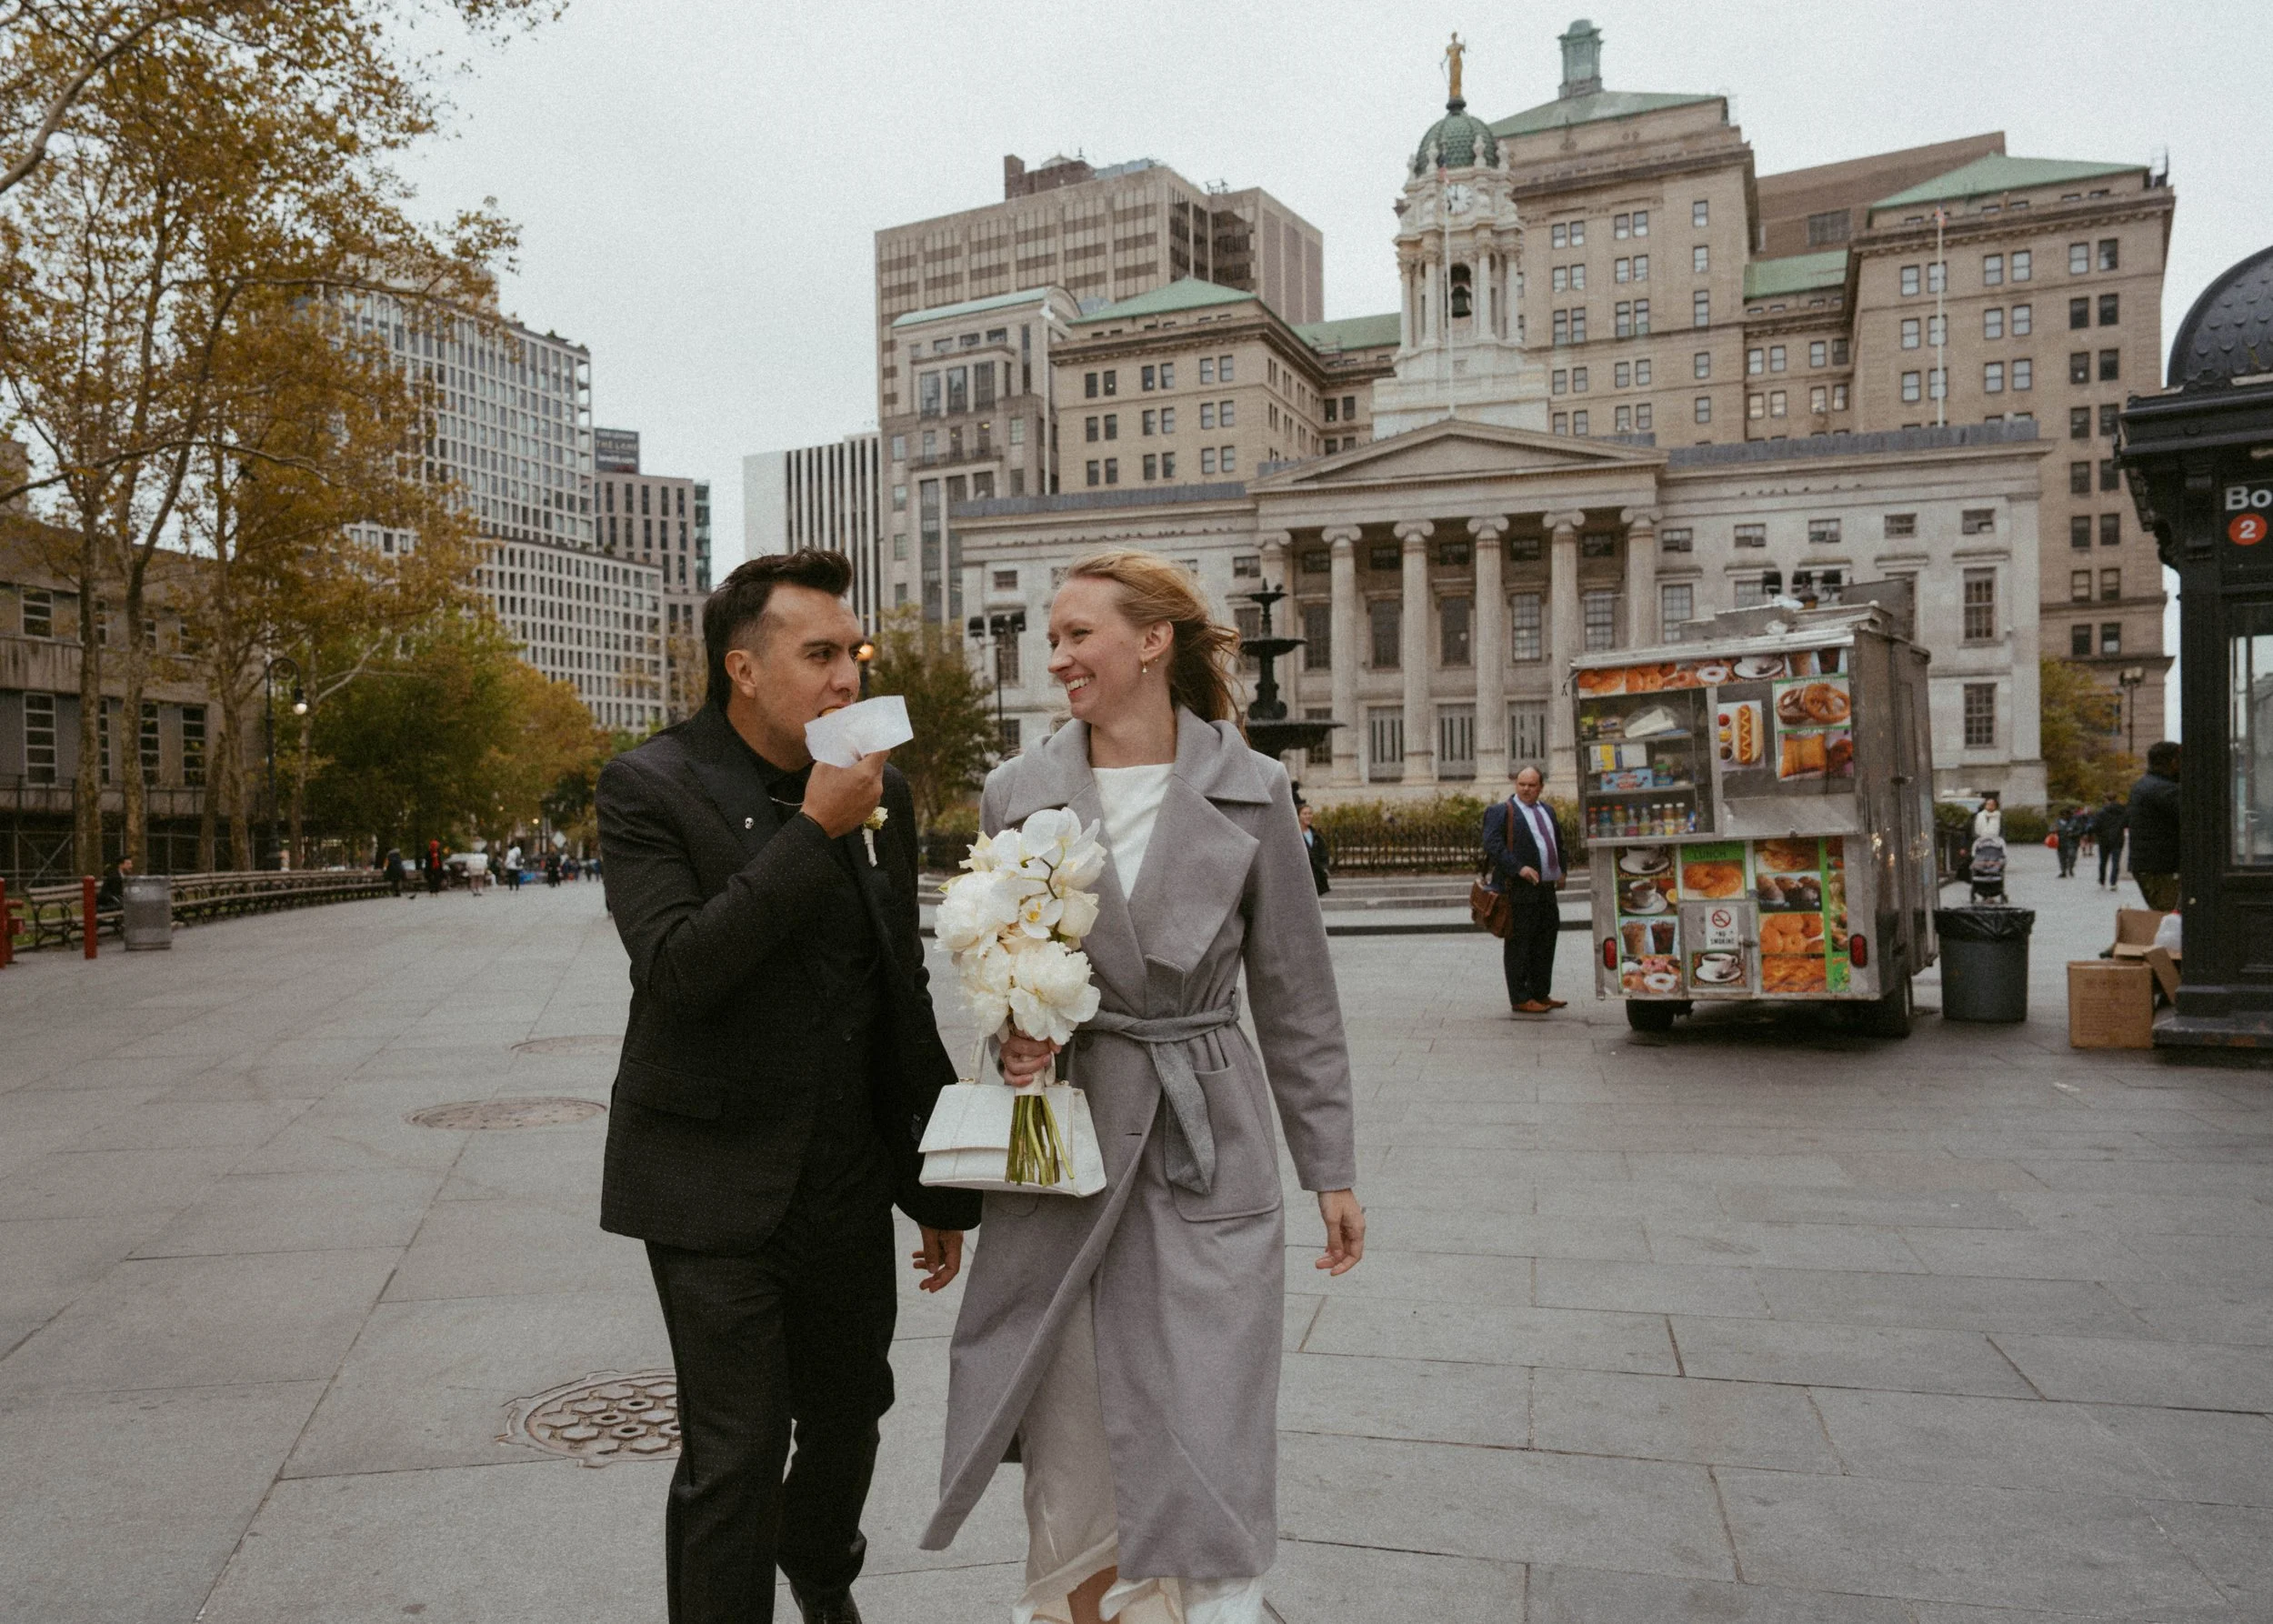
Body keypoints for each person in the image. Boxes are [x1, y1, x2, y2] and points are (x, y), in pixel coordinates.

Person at [921, 548, 1363, 1624]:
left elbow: (1297, 996)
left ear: (1151, 641)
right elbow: (999, 971)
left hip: (1204, 1131)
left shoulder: (1252, 790)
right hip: (1065, 1143)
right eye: (1052, 636)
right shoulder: (1018, 788)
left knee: (1209, 1421)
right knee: (1070, 1436)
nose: (1055, 654)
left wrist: (1331, 1167)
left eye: (1077, 634)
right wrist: (1018, 1038)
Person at [596, 550, 977, 1624]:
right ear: (744, 670)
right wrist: (812, 828)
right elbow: (678, 971)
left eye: (853, 653)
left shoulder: (881, 790)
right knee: (735, 1453)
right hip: (710, 1180)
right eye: (819, 655)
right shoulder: (649, 785)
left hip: (846, 1177)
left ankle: (819, 1567)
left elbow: (892, 990)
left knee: (853, 1412)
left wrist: (933, 1176)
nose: (848, 677)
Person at [1482, 764, 1569, 1015]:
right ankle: (1520, 997)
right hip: (1518, 889)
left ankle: (1540, 992)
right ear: (1515, 785)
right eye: (1522, 784)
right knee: (1520, 942)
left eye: (1532, 785)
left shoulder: (1547, 811)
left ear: (1541, 787)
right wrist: (1518, 868)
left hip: (1546, 888)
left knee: (1545, 939)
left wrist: (1562, 869)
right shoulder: (1502, 811)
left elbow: (1558, 843)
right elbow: (1493, 845)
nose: (1526, 789)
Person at [2128, 740, 2182, 911]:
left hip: (2149, 867)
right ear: (2174, 762)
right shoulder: (2165, 790)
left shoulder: (2145, 785)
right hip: (2163, 869)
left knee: (2167, 915)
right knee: (2172, 917)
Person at [1297, 797, 1331, 896]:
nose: (1308, 816)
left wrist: (1325, 868)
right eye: (1305, 814)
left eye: (1310, 813)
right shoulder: (1295, 836)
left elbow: (1323, 853)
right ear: (1298, 816)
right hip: (1301, 878)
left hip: (1316, 877)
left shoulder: (1316, 835)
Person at [2092, 796, 2127, 889]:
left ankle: (2102, 880)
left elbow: (2095, 826)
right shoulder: (2122, 811)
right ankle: (2113, 882)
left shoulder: (2101, 812)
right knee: (2116, 862)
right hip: (2117, 839)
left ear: (2106, 800)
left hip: (2104, 840)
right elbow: (2127, 823)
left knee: (2103, 862)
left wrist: (2098, 834)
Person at [2054, 807, 2086, 878]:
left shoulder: (2075, 821)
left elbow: (2080, 830)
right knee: (2062, 858)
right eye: (2063, 815)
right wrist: (2054, 830)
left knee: (2072, 855)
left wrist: (2073, 834)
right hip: (2061, 843)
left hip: (2072, 843)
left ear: (2070, 815)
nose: (2065, 817)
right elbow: (2051, 829)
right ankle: (2063, 871)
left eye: (2067, 815)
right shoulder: (2057, 821)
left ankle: (2071, 868)